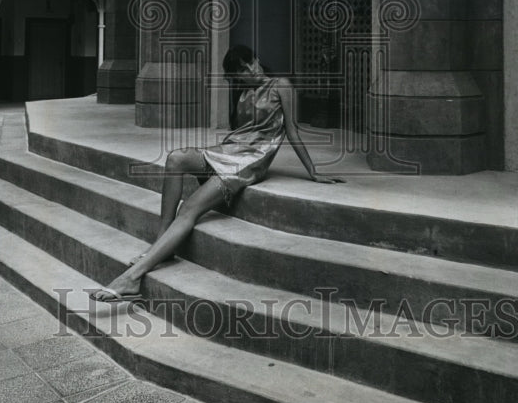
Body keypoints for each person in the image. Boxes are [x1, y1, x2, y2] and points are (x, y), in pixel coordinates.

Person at [91, 44, 344, 302]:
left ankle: (132, 278)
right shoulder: (243, 91)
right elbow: (240, 131)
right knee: (176, 159)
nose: (250, 70)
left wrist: (313, 172)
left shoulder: (281, 85)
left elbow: (292, 131)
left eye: (251, 63)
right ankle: (161, 243)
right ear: (236, 76)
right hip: (229, 150)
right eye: (242, 70)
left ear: (257, 60)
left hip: (248, 161)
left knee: (189, 208)